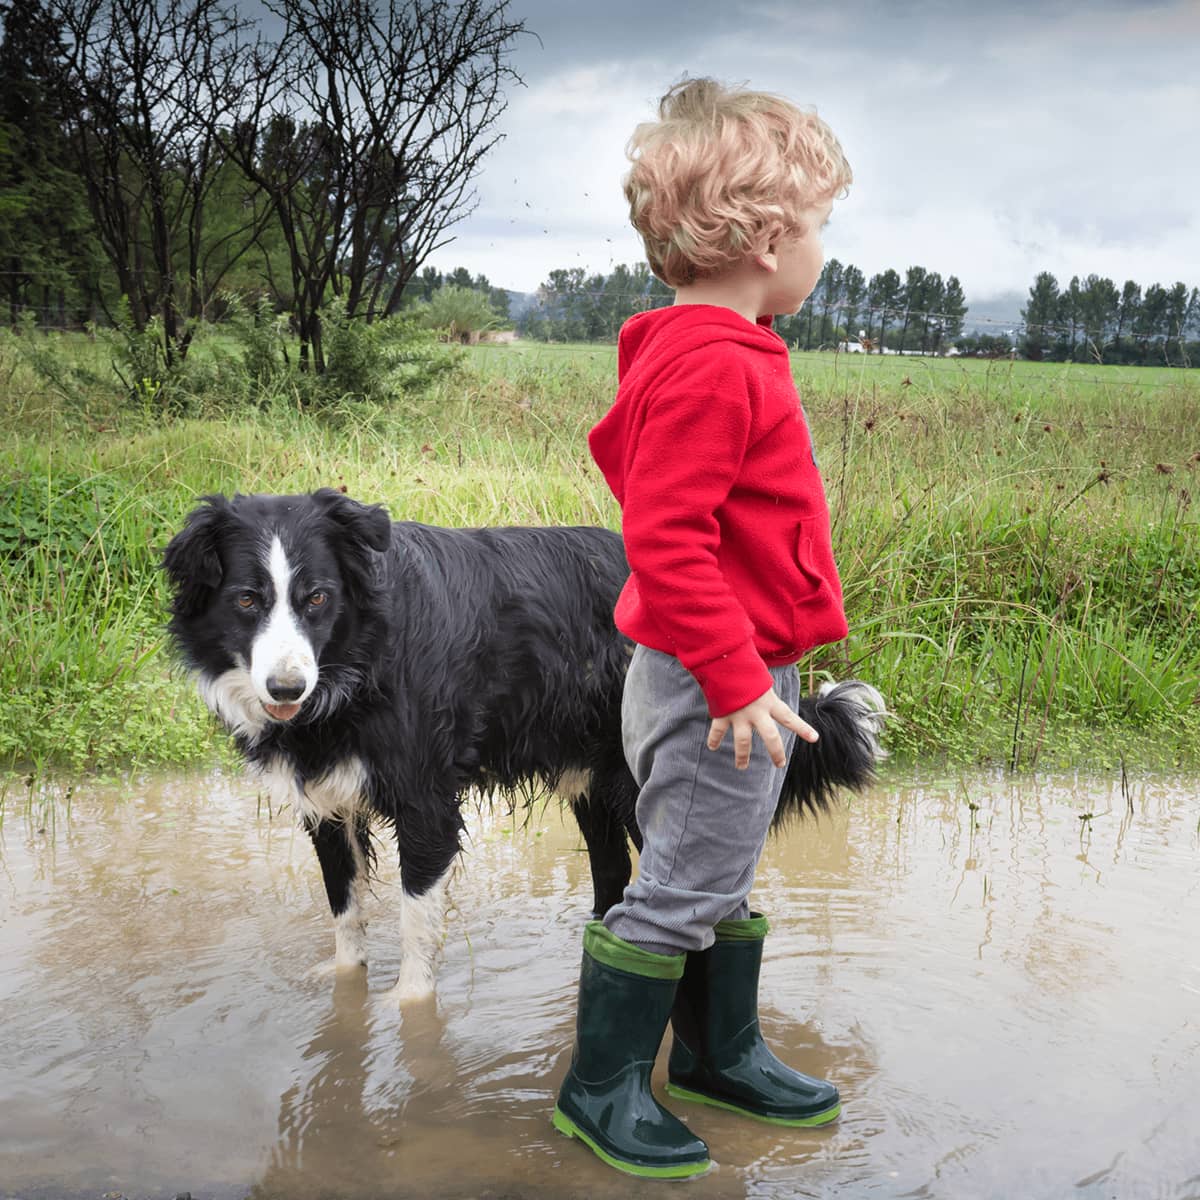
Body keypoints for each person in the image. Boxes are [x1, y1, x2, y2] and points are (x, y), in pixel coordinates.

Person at [551, 78, 854, 1178]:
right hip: (712, 680)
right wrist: (736, 679)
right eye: (818, 227)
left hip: (713, 666)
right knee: (681, 881)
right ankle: (601, 1089)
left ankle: (720, 1053)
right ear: (769, 238)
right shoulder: (716, 366)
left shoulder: (695, 345)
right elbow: (666, 540)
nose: (823, 249)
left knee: (710, 871)